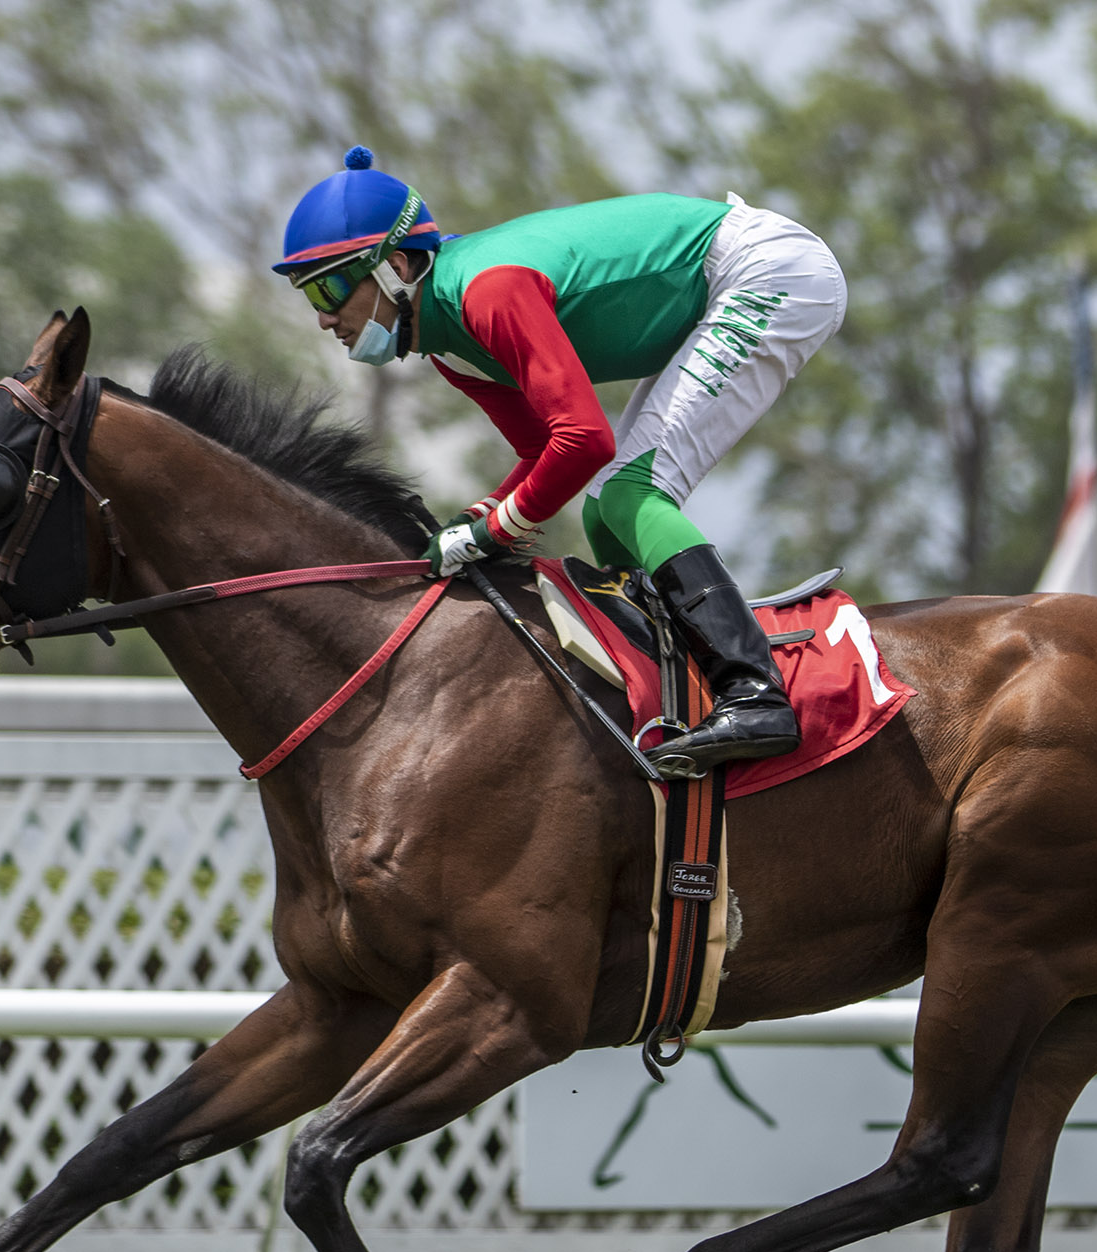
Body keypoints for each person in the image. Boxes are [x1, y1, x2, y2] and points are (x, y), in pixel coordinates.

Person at [274, 146, 848, 779]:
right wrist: (477, 517)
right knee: (603, 512)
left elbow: (584, 441)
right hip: (726, 281)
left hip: (768, 270)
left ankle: (755, 692)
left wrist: (491, 533)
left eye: (330, 286)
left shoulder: (487, 294)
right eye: (310, 296)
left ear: (398, 266)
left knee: (630, 491)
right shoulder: (447, 347)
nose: (324, 317)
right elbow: (538, 450)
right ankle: (677, 689)